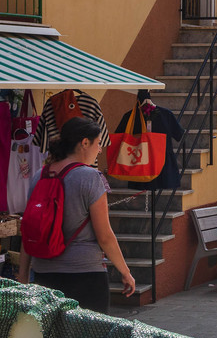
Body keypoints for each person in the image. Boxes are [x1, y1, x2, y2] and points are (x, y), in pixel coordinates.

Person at [18, 117, 137, 311]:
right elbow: (105, 236)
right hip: (85, 275)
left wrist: (23, 274)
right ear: (84, 143)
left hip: (44, 274)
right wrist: (125, 272)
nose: (99, 150)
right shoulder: (91, 177)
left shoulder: (40, 176)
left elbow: (28, 230)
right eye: (98, 144)